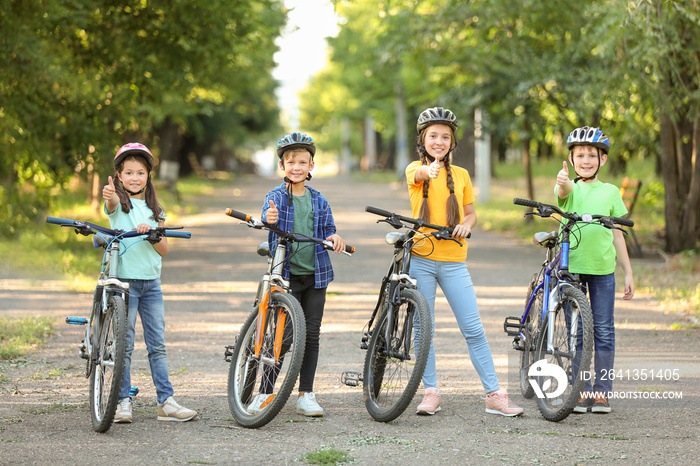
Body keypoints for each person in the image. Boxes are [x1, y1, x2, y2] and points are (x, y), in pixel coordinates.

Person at [405, 107, 523, 417]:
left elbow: (470, 212)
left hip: (454, 260)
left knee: (473, 328)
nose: (439, 141)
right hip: (422, 258)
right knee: (423, 329)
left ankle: (494, 394)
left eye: (445, 137)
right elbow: (419, 176)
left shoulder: (462, 175)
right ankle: (430, 391)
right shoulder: (414, 170)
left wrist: (467, 224)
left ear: (452, 142)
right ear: (423, 140)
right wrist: (428, 170)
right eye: (433, 136)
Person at [247, 131, 346, 417]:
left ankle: (306, 394)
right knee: (283, 336)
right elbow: (267, 216)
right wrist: (269, 219)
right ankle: (265, 393)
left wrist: (335, 237)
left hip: (315, 276)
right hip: (285, 275)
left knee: (311, 334)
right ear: (282, 166)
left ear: (311, 166)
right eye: (291, 162)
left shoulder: (319, 200)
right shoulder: (275, 196)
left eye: (303, 162)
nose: (297, 167)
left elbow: (329, 230)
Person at [102, 142, 197, 423]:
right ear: (119, 176)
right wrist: (109, 196)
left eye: (140, 173)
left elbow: (164, 249)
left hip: (151, 285)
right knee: (125, 345)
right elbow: (110, 206)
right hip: (125, 283)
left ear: (148, 177)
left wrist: (152, 234)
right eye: (128, 172)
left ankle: (165, 401)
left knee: (157, 345)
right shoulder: (118, 204)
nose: (134, 177)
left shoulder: (156, 209)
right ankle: (122, 402)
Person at [555, 126, 635, 414]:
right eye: (580, 155)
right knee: (577, 332)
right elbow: (563, 193)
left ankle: (601, 392)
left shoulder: (611, 192)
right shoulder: (569, 187)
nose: (586, 160)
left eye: (592, 155)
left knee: (603, 330)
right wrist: (563, 181)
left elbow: (617, 234)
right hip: (571, 270)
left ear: (602, 159)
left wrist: (628, 272)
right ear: (572, 159)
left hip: (603, 271)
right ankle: (580, 389)